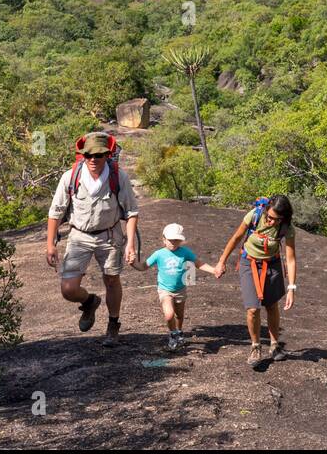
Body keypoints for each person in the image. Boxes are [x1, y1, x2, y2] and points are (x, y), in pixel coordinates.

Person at [45, 132, 141, 346]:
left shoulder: (119, 176)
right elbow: (55, 212)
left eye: (98, 155)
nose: (93, 160)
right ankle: (90, 302)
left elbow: (132, 212)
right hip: (79, 235)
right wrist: (50, 244)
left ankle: (113, 325)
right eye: (88, 155)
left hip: (110, 235)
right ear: (83, 156)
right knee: (68, 289)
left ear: (107, 154)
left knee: (111, 279)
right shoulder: (71, 177)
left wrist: (131, 244)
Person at [215, 195, 298, 368]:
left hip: (272, 264)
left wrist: (291, 288)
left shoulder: (287, 228)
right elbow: (236, 238)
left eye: (275, 219)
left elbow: (290, 259)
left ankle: (274, 346)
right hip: (249, 262)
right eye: (269, 216)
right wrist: (222, 261)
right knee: (252, 308)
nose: (271, 221)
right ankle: (255, 346)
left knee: (271, 305)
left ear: (283, 218)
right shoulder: (255, 215)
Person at [146, 223, 218, 351]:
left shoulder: (185, 252)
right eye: (170, 240)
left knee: (179, 315)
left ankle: (179, 332)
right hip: (165, 289)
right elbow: (143, 266)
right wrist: (133, 263)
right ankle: (173, 334)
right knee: (169, 315)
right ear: (164, 239)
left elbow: (198, 263)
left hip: (180, 289)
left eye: (177, 240)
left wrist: (214, 270)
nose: (173, 243)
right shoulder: (159, 254)